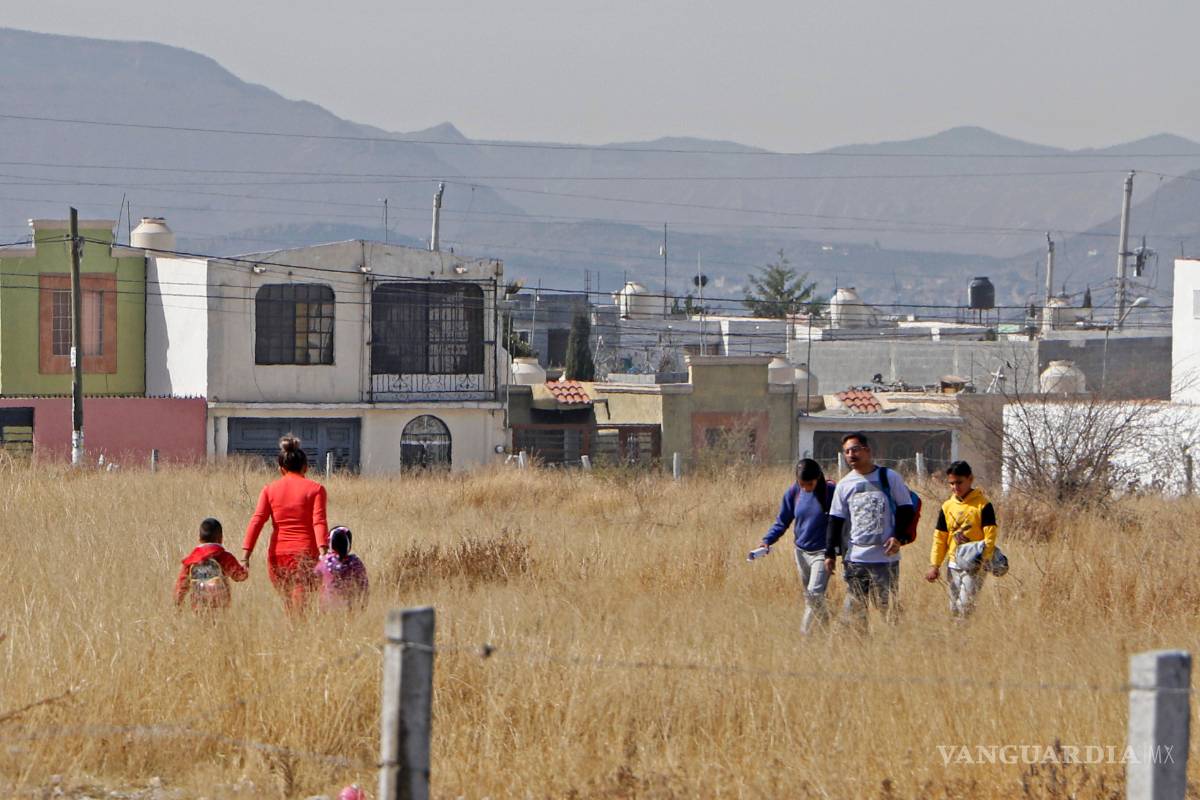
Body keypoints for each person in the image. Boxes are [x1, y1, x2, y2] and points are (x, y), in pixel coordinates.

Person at [823, 433, 915, 632]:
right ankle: (859, 647)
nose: (851, 455)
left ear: (867, 450)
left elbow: (907, 509)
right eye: (847, 451)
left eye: (855, 449)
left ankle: (892, 646)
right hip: (855, 559)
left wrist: (897, 537)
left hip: (885, 559)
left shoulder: (889, 477)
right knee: (855, 611)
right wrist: (830, 553)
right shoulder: (844, 485)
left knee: (886, 609)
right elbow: (835, 520)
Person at [243, 435, 330, 614]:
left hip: (277, 557)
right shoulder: (316, 489)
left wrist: (246, 556)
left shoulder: (269, 490)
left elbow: (257, 520)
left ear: (281, 469)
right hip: (306, 556)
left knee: (290, 606)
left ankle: (291, 636)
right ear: (306, 467)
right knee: (301, 610)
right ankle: (300, 638)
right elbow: (319, 521)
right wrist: (324, 552)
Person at [756, 458, 836, 633]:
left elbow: (842, 521)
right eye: (802, 484)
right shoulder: (794, 493)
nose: (806, 488)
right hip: (801, 552)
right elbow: (782, 521)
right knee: (811, 598)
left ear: (818, 478)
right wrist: (767, 540)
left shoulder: (831, 492)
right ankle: (825, 631)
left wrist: (836, 550)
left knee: (814, 593)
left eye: (810, 484)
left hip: (822, 553)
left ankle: (805, 635)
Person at [925, 461, 998, 618]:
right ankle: (956, 638)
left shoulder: (983, 505)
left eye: (959, 482)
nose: (955, 487)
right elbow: (940, 537)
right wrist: (935, 565)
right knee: (953, 607)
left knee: (965, 606)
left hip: (974, 565)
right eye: (951, 483)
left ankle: (963, 636)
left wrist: (985, 559)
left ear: (970, 479)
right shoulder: (947, 506)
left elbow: (990, 535)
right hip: (953, 564)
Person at [174, 517, 248, 611]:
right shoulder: (224, 557)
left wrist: (178, 603)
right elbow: (240, 576)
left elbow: (182, 585)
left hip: (198, 605)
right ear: (220, 538)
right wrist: (245, 567)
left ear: (199, 539)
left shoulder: (191, 560)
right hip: (221, 605)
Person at [314, 525, 369, 612]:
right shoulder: (356, 562)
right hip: (349, 608)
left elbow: (314, 579)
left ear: (330, 543)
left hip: (326, 608)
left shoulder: (325, 562)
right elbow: (363, 585)